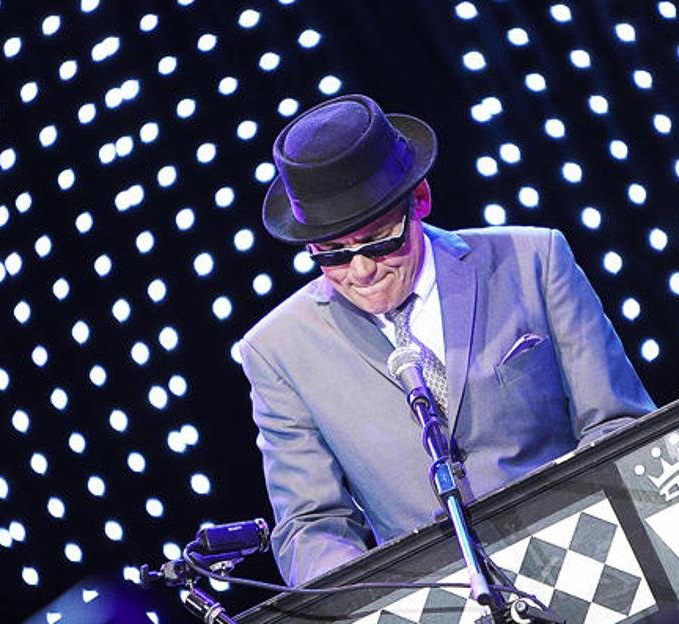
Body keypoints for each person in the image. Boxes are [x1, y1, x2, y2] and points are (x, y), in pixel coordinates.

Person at [238, 94, 655, 586]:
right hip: (432, 600)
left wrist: (585, 542)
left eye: (379, 241)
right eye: (332, 254)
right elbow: (311, 527)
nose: (362, 270)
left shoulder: (533, 260)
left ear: (419, 199)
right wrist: (371, 607)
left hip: (592, 557)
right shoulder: (278, 349)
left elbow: (617, 424)